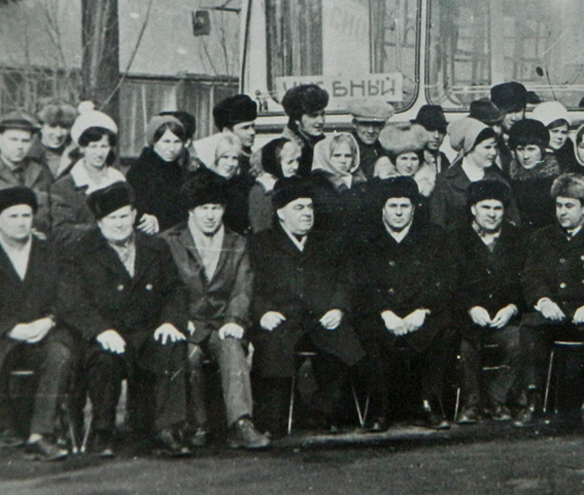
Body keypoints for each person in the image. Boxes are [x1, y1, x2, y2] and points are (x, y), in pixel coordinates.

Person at [58, 182, 191, 457]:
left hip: (147, 331)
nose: (119, 224)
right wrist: (100, 330)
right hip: (106, 334)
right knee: (103, 360)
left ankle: (167, 429)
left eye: (124, 216)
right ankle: (103, 431)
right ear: (99, 222)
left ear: (134, 215)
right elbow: (72, 302)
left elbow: (175, 289)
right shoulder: (80, 251)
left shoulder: (156, 247)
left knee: (172, 346)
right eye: (112, 218)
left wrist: (169, 321)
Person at [248, 177, 366, 437]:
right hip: (283, 318)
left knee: (341, 343)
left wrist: (338, 308)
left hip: (321, 318)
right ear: (281, 213)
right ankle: (276, 417)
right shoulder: (262, 243)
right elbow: (251, 286)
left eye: (310, 207)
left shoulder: (328, 241)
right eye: (298, 208)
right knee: (273, 347)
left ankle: (324, 412)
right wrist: (263, 312)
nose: (307, 213)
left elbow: (346, 280)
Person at [161, 170, 269, 450]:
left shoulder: (237, 242)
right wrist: (178, 319)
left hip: (222, 321)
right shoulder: (170, 241)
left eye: (216, 208)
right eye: (203, 208)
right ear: (191, 210)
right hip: (188, 322)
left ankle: (241, 423)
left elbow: (243, 286)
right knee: (190, 354)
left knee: (232, 346)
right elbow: (166, 289)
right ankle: (198, 424)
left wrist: (235, 319)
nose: (210, 215)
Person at [514, 173, 584, 428]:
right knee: (530, 327)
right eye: (559, 205)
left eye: (569, 206)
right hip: (555, 310)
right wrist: (543, 301)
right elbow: (532, 276)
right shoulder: (542, 238)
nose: (562, 212)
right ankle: (533, 398)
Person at [353, 177, 458, 431]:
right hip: (382, 313)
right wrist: (385, 312)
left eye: (404, 206)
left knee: (445, 330)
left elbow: (445, 280)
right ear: (382, 209)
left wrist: (423, 309)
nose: (398, 212)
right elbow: (360, 284)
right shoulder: (366, 240)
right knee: (368, 333)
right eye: (393, 206)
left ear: (414, 208)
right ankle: (380, 409)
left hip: (421, 312)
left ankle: (429, 403)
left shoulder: (433, 237)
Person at [0, 186, 74, 460]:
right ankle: (6, 428)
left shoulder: (49, 251)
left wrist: (49, 320)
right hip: (5, 334)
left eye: (26, 215)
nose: (21, 222)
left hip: (45, 330)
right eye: (13, 216)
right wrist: (10, 328)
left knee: (59, 355)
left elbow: (66, 293)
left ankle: (40, 434)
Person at [451, 180, 525, 424]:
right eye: (485, 207)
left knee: (519, 341)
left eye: (497, 208)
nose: (492, 214)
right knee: (466, 345)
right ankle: (471, 404)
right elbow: (450, 285)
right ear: (473, 209)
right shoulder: (456, 239)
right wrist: (471, 307)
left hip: (504, 319)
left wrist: (512, 308)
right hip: (467, 320)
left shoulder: (516, 239)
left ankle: (496, 400)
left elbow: (525, 282)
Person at [49, 105, 128, 240]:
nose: (99, 153)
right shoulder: (64, 186)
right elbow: (61, 231)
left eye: (104, 146)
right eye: (93, 146)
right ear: (82, 148)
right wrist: (100, 230)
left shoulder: (118, 180)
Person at [429, 117, 511, 231]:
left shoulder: (500, 181)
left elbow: (512, 223)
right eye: (487, 147)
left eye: (495, 147)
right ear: (469, 148)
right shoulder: (444, 182)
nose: (493, 152)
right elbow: (436, 226)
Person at [125, 114, 192, 235]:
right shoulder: (140, 170)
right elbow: (132, 207)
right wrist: (148, 219)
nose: (172, 148)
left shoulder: (176, 168)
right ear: (154, 142)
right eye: (166, 141)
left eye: (177, 142)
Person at [194, 131, 256, 235]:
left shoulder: (243, 184)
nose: (230, 163)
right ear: (217, 158)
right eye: (225, 157)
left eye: (235, 158)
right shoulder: (203, 183)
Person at [0, 111, 53, 232]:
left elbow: (53, 213)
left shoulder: (41, 171)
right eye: (13, 139)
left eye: (25, 141)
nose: (19, 146)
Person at [506, 118, 561, 231]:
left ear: (542, 150)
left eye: (531, 149)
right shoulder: (508, 179)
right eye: (520, 149)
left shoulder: (556, 181)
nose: (525, 156)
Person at [248, 137, 302, 234]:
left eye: (297, 160)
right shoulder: (262, 192)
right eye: (290, 162)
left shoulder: (291, 185)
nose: (296, 166)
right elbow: (261, 233)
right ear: (274, 163)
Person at [279, 83, 328, 176]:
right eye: (313, 116)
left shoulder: (323, 142)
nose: (321, 121)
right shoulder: (285, 149)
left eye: (322, 114)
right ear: (296, 119)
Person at [378, 122, 437, 196]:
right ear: (394, 161)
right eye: (404, 158)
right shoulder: (382, 183)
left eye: (414, 159)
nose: (409, 165)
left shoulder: (429, 185)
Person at [346, 98, 392, 181]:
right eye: (365, 124)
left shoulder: (379, 146)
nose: (371, 131)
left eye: (376, 125)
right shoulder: (346, 145)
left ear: (383, 126)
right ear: (354, 124)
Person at [212, 94, 258, 176]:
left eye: (253, 126)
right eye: (245, 128)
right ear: (227, 131)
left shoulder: (257, 160)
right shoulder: (221, 166)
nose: (252, 132)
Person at [32, 99, 78, 179]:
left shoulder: (76, 155)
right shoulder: (26, 153)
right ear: (40, 126)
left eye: (64, 127)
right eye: (52, 126)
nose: (58, 134)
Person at [529, 100, 574, 171]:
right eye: (554, 131)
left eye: (564, 132)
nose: (560, 136)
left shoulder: (570, 157)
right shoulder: (531, 157)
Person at [413, 105, 451, 174]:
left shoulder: (443, 159)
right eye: (431, 129)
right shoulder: (411, 158)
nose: (436, 136)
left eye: (441, 131)